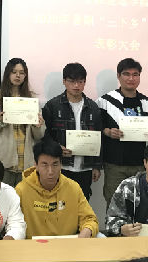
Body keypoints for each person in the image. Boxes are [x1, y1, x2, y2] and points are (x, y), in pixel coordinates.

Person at [97, 58, 148, 207]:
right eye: (126, 74)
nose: (131, 78)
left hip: (139, 164)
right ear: (118, 76)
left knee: (138, 204)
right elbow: (95, 128)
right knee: (114, 204)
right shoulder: (105, 101)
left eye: (135, 74)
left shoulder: (147, 102)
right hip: (114, 164)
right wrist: (108, 132)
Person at [15, 137, 98, 238]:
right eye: (45, 165)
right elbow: (13, 225)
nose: (50, 171)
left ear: (61, 164)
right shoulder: (21, 191)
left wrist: (87, 230)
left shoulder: (73, 188)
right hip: (33, 245)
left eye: (55, 164)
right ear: (36, 165)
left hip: (66, 245)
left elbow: (90, 219)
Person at [42, 62, 102, 200]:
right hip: (61, 166)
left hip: (85, 168)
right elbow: (44, 135)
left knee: (81, 204)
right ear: (64, 81)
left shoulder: (93, 107)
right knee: (58, 204)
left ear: (84, 82)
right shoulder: (52, 106)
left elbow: (99, 139)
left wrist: (96, 166)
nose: (76, 85)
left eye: (80, 81)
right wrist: (56, 148)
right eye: (72, 81)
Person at [0, 58, 45, 186]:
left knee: (24, 198)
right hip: (4, 161)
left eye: (21, 73)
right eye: (14, 72)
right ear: (8, 74)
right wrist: (0, 121)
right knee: (2, 197)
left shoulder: (31, 98)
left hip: (26, 163)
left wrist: (38, 126)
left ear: (25, 76)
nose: (18, 75)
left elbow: (39, 135)